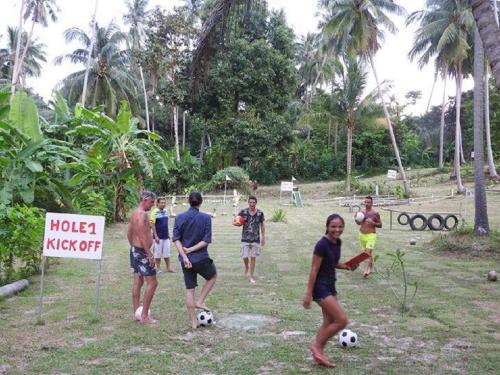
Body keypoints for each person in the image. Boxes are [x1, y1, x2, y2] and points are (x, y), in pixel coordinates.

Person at [303, 214, 358, 368]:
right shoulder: (322, 245)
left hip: (331, 285)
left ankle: (318, 355)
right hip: (320, 288)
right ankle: (316, 347)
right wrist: (308, 293)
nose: (337, 229)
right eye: (333, 226)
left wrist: (346, 266)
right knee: (341, 320)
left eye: (340, 226)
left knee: (328, 322)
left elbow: (332, 263)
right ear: (327, 226)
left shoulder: (337, 242)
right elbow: (314, 269)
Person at [173, 192, 217, 329]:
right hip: (201, 258)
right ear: (200, 202)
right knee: (213, 276)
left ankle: (193, 322)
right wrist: (191, 250)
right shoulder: (206, 218)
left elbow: (176, 239)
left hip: (186, 261)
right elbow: (206, 241)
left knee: (189, 290)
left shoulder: (179, 217)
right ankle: (201, 301)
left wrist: (185, 256)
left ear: (188, 201)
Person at [128, 191, 158, 325]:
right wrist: (149, 254)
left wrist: (133, 248)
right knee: (152, 283)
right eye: (151, 202)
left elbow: (129, 232)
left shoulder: (134, 213)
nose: (153, 205)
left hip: (136, 250)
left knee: (138, 281)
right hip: (142, 252)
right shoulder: (141, 214)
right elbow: (141, 235)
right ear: (145, 200)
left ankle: (137, 313)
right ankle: (144, 316)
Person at [238, 195, 265, 283]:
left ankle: (251, 276)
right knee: (245, 256)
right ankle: (247, 267)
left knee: (253, 257)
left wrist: (263, 237)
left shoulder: (260, 213)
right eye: (250, 202)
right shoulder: (243, 212)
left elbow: (262, 225)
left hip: (255, 239)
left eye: (253, 202)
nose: (252, 204)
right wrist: (237, 223)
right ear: (248, 203)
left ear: (256, 203)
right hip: (245, 238)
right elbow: (237, 221)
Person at [356, 196, 382, 278]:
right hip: (362, 235)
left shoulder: (375, 213)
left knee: (367, 253)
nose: (366, 204)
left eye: (368, 202)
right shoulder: (361, 212)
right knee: (367, 253)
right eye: (365, 202)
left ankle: (366, 270)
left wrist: (373, 223)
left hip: (371, 235)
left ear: (372, 203)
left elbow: (380, 225)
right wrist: (357, 220)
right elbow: (358, 223)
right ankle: (371, 266)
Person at [150, 196, 174, 273]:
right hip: (158, 237)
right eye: (162, 203)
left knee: (167, 253)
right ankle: (157, 268)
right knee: (157, 254)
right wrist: (156, 236)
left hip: (166, 236)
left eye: (164, 203)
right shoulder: (154, 212)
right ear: (157, 203)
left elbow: (165, 224)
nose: (163, 204)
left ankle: (168, 268)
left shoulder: (166, 212)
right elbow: (152, 224)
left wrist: (168, 234)